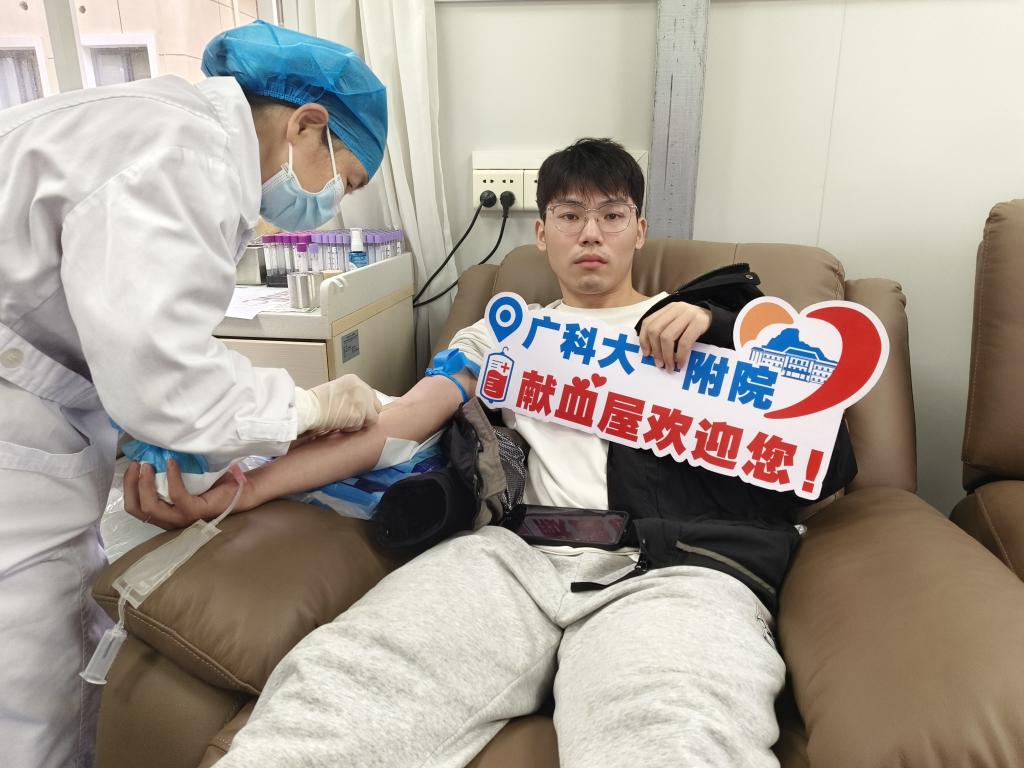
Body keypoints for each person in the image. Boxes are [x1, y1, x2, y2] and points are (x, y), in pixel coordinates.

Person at [128, 138, 855, 767]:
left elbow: (826, 465)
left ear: (640, 230)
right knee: (341, 687)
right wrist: (247, 489)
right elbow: (400, 423)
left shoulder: (713, 327)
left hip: (672, 571)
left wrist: (724, 331)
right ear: (542, 233)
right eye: (569, 216)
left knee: (672, 737)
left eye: (611, 215)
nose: (591, 233)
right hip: (513, 560)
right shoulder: (505, 333)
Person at [0, 20, 389, 768]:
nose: (333, 204)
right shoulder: (185, 156)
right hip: (17, 408)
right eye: (344, 180)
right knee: (31, 672)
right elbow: (162, 374)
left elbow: (138, 341)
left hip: (38, 390)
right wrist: (309, 407)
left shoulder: (177, 136)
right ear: (308, 125)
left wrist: (167, 423)